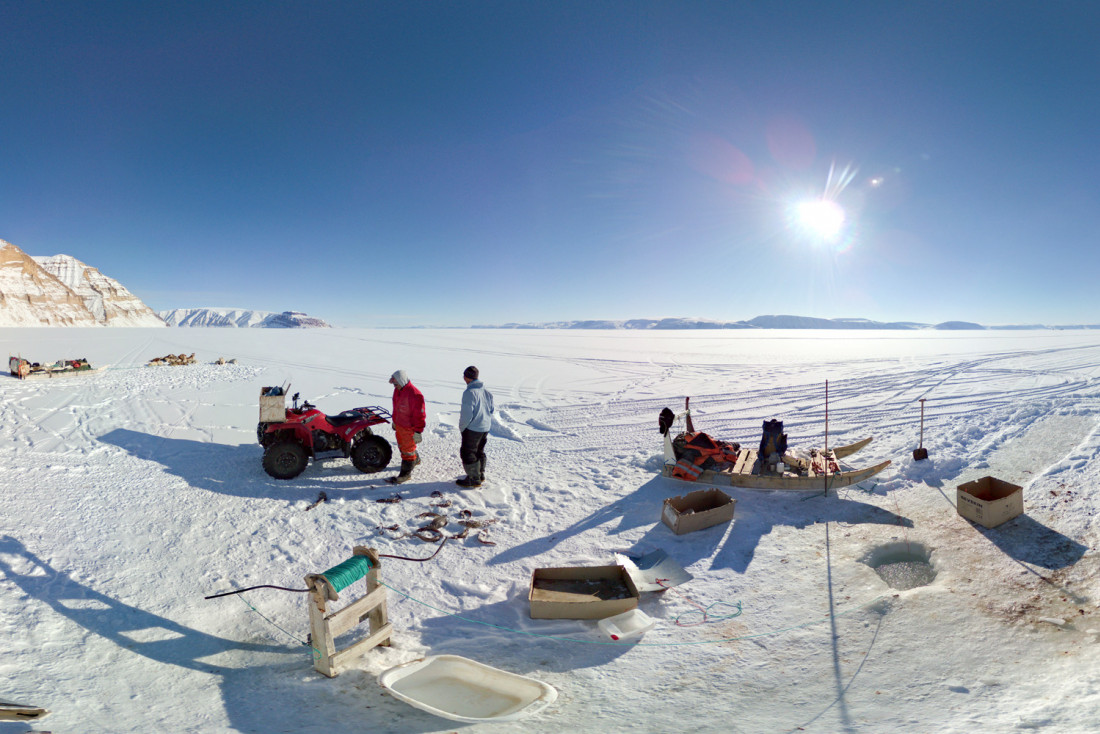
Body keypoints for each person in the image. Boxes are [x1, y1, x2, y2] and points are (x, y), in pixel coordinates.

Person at [387, 369, 426, 484]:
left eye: (396, 384)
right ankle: (416, 460)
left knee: (407, 451)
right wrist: (395, 421)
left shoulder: (415, 395)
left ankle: (405, 474)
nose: (395, 386)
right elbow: (396, 407)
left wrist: (418, 431)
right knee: (402, 446)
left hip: (409, 428)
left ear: (402, 381)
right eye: (394, 384)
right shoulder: (397, 390)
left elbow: (420, 415)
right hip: (399, 426)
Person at [457, 365, 493, 488]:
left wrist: (462, 427)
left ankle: (473, 478)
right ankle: (480, 474)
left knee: (468, 453)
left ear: (467, 377)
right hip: (485, 427)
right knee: (479, 451)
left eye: (464, 375)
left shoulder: (469, 393)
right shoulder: (486, 392)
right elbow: (491, 409)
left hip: (473, 428)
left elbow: (466, 414)